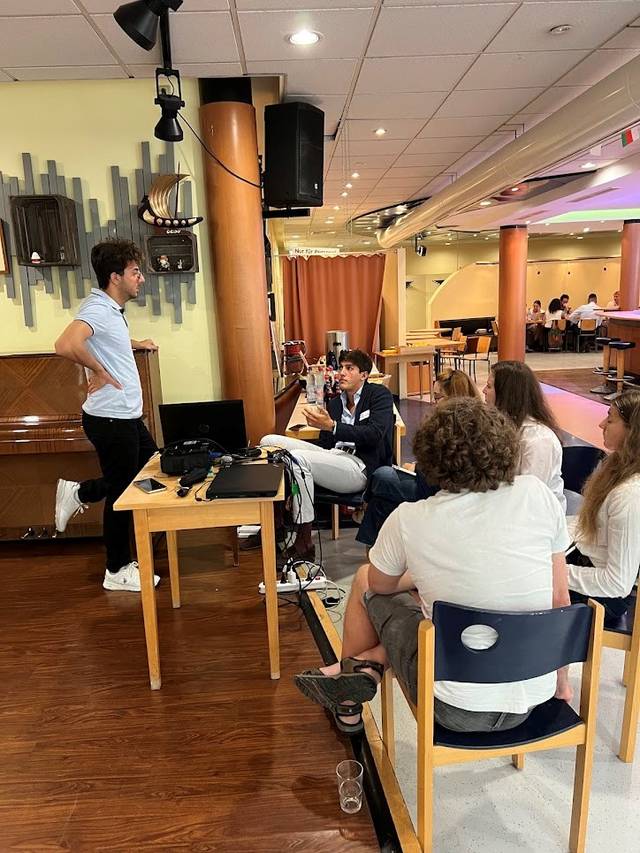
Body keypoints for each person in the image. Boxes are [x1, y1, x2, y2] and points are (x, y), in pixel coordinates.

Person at [294, 398, 571, 734]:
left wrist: (421, 576)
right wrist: (561, 685)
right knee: (455, 615)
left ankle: (353, 692)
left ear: (429, 457)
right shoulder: (537, 494)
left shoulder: (411, 518)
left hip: (453, 707)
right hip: (533, 698)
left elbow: (379, 587)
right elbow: (559, 599)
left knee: (367, 578)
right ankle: (365, 667)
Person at [54, 239, 160, 592]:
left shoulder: (109, 310)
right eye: (134, 272)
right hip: (112, 419)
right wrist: (98, 370)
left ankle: (81, 494)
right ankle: (116, 569)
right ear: (115, 277)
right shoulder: (98, 309)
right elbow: (66, 344)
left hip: (124, 417)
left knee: (154, 468)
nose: (140, 278)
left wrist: (136, 344)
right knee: (122, 493)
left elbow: (106, 341)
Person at [260, 349, 394, 562]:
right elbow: (325, 444)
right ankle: (276, 526)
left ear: (364, 375)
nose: (342, 373)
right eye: (341, 368)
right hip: (334, 457)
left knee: (297, 459)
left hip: (360, 467)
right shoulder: (335, 403)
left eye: (349, 368)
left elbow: (375, 435)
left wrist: (332, 426)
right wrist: (325, 429)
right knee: (269, 443)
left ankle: (304, 541)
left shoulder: (378, 396)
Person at [355, 369, 480, 547]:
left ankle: (374, 548)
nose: (433, 403)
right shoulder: (461, 421)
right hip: (433, 481)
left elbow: (451, 467)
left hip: (441, 488)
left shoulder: (459, 427)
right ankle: (376, 546)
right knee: (382, 498)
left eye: (438, 398)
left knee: (382, 476)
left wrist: (417, 468)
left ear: (454, 396)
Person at [566, 390, 640, 618]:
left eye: (610, 419)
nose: (601, 424)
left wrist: (555, 571)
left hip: (606, 600)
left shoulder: (629, 495)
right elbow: (591, 527)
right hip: (586, 563)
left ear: (632, 431)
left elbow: (617, 584)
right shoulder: (617, 467)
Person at [484, 361, 566, 511]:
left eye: (489, 386)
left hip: (537, 517)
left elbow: (529, 498)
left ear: (507, 394)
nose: (483, 391)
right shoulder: (505, 427)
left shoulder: (539, 440)